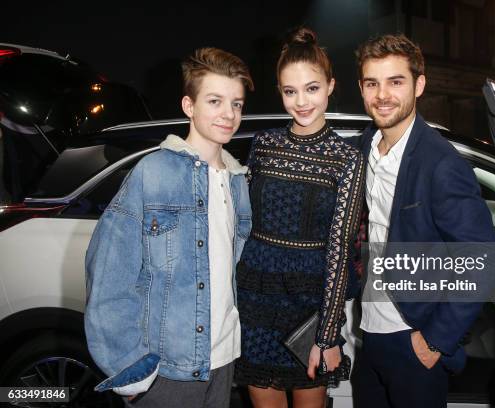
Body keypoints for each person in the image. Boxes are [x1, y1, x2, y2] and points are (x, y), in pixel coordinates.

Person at [84, 47, 253, 408]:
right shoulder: (153, 173)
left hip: (222, 361)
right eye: (215, 101)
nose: (228, 114)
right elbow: (109, 276)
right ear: (189, 106)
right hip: (167, 370)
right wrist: (130, 367)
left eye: (236, 104)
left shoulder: (238, 181)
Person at [353, 34, 495, 408]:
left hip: (411, 338)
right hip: (367, 333)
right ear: (362, 88)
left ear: (419, 85)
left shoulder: (442, 164)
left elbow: (482, 258)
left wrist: (434, 340)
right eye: (373, 83)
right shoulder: (360, 149)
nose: (382, 95)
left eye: (395, 82)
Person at [234, 27, 365, 408]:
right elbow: (241, 222)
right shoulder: (264, 145)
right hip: (255, 296)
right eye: (290, 91)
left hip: (310, 303)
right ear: (280, 91)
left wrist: (327, 335)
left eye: (311, 88)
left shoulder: (347, 158)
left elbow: (340, 252)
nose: (301, 102)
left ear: (330, 86)